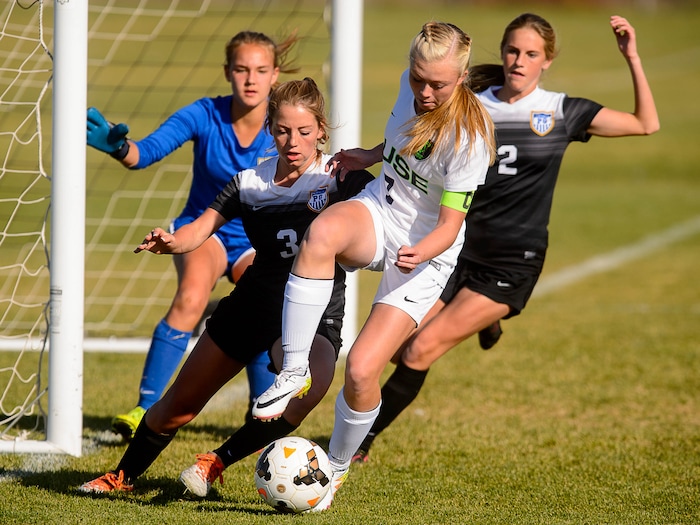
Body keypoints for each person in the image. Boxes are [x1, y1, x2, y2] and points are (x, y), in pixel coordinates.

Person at [351, 13, 660, 464]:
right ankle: (485, 320)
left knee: (420, 349)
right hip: (455, 249)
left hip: (511, 261)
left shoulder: (561, 112)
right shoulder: (467, 102)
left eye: (531, 54)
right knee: (396, 349)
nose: (518, 61)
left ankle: (359, 444)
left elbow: (645, 123)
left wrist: (631, 56)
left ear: (547, 60)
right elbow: (411, 141)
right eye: (512, 50)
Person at [77, 78, 374, 496]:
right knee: (177, 407)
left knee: (310, 385)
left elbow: (385, 218)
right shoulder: (249, 183)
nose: (293, 141)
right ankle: (121, 478)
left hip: (318, 308)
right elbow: (200, 229)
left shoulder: (341, 178)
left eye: (304, 132)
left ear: (322, 130)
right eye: (284, 130)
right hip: (252, 305)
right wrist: (172, 242)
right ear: (271, 128)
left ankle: (213, 463)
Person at [251, 22, 496, 510]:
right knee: (320, 234)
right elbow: (400, 148)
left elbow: (450, 225)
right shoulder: (412, 94)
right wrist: (367, 153)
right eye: (417, 79)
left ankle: (335, 469)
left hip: (426, 253)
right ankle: (294, 368)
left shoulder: (470, 138)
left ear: (462, 76)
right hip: (381, 210)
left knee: (362, 371)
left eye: (437, 84)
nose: (424, 92)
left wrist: (423, 252)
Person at [85, 31, 300, 441]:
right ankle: (144, 408)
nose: (250, 80)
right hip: (206, 230)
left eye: (260, 70)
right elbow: (144, 153)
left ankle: (262, 413)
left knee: (267, 309)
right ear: (227, 72)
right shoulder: (203, 114)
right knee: (191, 297)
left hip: (259, 238)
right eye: (241, 69)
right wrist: (117, 147)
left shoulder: (286, 124)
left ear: (275, 75)